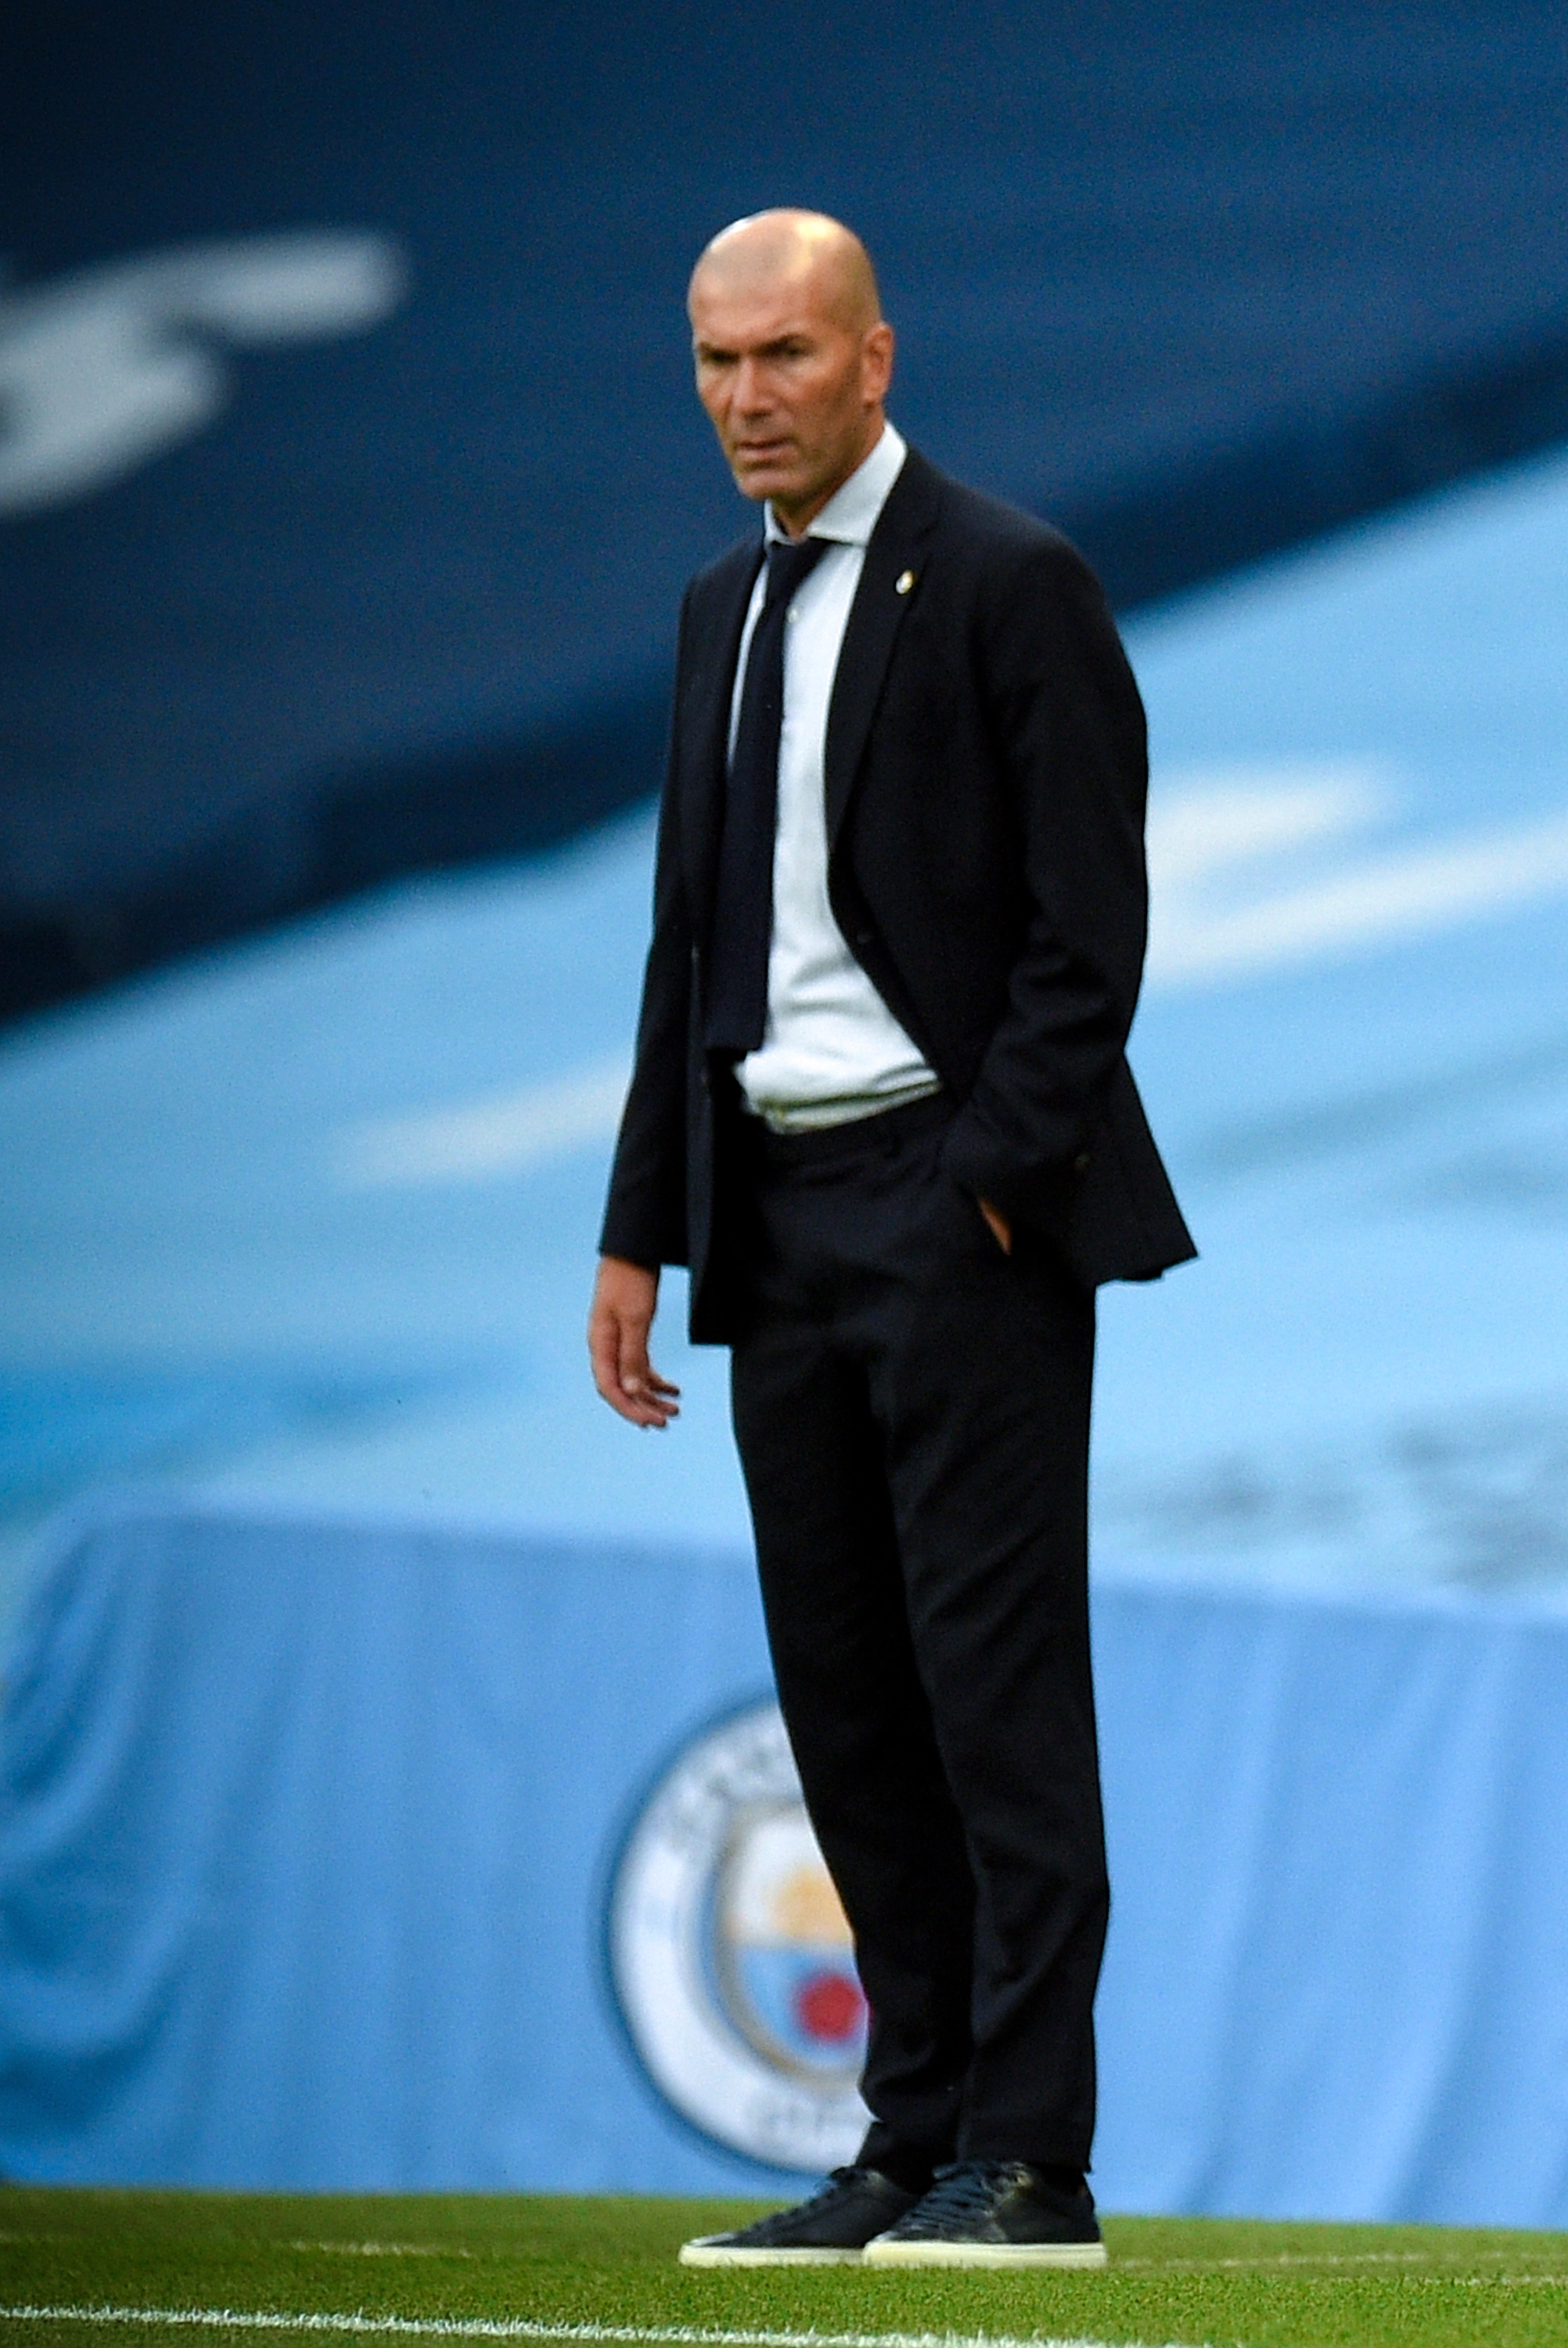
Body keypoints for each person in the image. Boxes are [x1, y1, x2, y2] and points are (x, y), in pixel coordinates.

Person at [589, 210, 1193, 2270]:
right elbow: (695, 948)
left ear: (871, 356)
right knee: (842, 1697)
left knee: (992, 1692)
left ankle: (1030, 2159)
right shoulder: (716, 613)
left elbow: (1083, 927)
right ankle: (905, 2131)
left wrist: (988, 1186)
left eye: (780, 355)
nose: (744, 397)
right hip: (774, 1215)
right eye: (712, 362)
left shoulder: (1012, 582)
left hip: (954, 1208)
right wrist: (638, 1230)